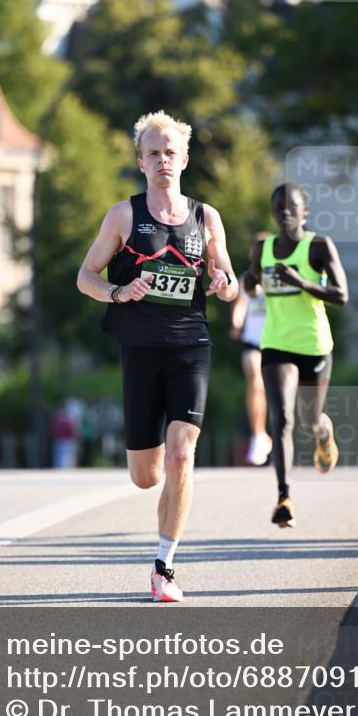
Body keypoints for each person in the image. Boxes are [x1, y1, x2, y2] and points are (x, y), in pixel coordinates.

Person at [77, 110, 237, 601]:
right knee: (147, 477)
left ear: (184, 159)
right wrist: (118, 293)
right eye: (153, 153)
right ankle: (161, 495)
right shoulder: (123, 216)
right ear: (141, 162)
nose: (163, 160)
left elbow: (229, 283)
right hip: (141, 352)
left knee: (182, 453)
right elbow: (86, 277)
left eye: (171, 152)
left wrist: (222, 282)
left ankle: (164, 566)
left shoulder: (206, 218)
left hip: (191, 346)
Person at [245, 183, 348, 529]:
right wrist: (249, 283)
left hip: (315, 344)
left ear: (305, 211)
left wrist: (301, 281)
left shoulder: (318, 246)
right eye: (278, 207)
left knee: (309, 420)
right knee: (282, 418)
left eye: (291, 207)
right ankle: (283, 497)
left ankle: (323, 433)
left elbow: (341, 294)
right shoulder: (262, 248)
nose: (284, 212)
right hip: (276, 343)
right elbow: (251, 283)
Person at [230, 233, 271, 466]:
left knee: (275, 393)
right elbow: (240, 305)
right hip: (252, 342)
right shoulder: (247, 278)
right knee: (256, 382)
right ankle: (258, 435)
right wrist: (236, 323)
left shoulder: (280, 279)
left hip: (276, 343)